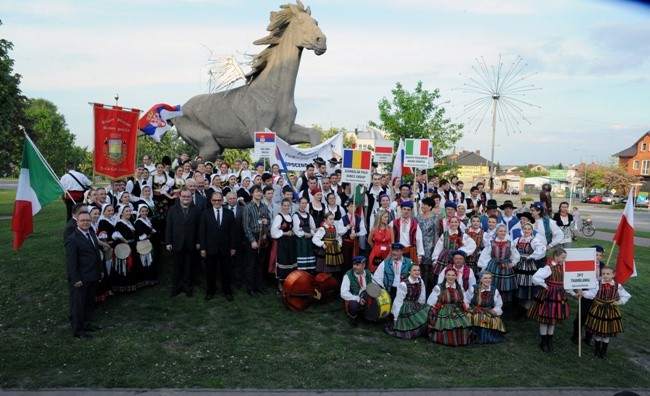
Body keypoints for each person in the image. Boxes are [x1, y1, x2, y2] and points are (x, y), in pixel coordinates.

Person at [65, 211, 103, 339]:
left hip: (93, 275)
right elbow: (71, 261)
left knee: (89, 303)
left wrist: (100, 270)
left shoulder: (91, 234)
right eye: (83, 220)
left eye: (88, 220)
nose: (86, 222)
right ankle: (78, 331)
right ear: (77, 222)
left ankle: (87, 324)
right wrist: (76, 279)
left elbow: (97, 254)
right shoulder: (72, 238)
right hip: (81, 278)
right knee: (79, 305)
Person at [527, 248, 571, 353]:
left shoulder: (563, 268)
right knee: (545, 318)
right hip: (549, 295)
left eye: (565, 257)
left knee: (553, 319)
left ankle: (549, 341)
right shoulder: (548, 268)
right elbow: (536, 277)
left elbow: (567, 282)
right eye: (563, 257)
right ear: (556, 257)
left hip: (559, 295)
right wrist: (545, 285)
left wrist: (574, 292)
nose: (565, 259)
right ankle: (543, 342)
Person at [584, 266, 631, 359]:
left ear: (613, 274)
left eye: (608, 274)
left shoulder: (617, 286)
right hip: (598, 309)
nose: (605, 276)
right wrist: (583, 293)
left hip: (610, 310)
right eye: (603, 274)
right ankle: (597, 351)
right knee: (598, 331)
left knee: (607, 332)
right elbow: (591, 294)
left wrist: (619, 302)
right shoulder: (598, 284)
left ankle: (603, 352)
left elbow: (626, 295)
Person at [200, 191, 236, 302]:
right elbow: (202, 232)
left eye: (219, 200)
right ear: (211, 201)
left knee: (226, 271)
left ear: (222, 201)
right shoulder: (205, 213)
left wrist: (233, 247)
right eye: (214, 200)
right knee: (210, 271)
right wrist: (203, 248)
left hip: (225, 248)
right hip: (210, 248)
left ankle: (227, 291)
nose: (217, 202)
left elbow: (233, 232)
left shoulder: (229, 213)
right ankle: (210, 291)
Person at [166, 188, 201, 298]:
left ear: (191, 197)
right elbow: (169, 226)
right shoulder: (172, 209)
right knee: (177, 267)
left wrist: (199, 242)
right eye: (184, 196)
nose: (186, 198)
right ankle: (176, 287)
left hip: (191, 244)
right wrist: (168, 242)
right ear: (179, 197)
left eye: (188, 196)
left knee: (188, 267)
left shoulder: (197, 209)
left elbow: (199, 228)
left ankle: (187, 287)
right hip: (177, 243)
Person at [426, 266, 473, 346]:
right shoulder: (439, 287)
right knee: (446, 328)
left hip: (457, 310)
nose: (450, 277)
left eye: (453, 275)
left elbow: (465, 300)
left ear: (456, 276)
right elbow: (430, 302)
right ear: (445, 276)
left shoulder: (459, 287)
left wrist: (466, 308)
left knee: (462, 328)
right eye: (448, 275)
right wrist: (433, 311)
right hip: (443, 310)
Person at [572, 245, 606, 346]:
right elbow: (579, 276)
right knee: (582, 315)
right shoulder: (585, 264)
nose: (598, 257)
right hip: (585, 292)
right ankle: (576, 335)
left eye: (600, 255)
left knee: (593, 316)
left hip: (597, 294)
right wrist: (579, 289)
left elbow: (603, 277)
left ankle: (588, 337)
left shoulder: (602, 265)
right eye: (596, 254)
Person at [478, 224, 520, 306]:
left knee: (505, 286)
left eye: (504, 231)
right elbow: (485, 255)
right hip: (493, 266)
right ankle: (491, 303)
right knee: (492, 284)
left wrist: (513, 263)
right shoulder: (491, 243)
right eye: (500, 231)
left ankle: (504, 306)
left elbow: (516, 255)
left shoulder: (510, 243)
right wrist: (484, 267)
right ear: (497, 232)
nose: (503, 233)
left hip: (506, 267)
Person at [385, 264, 430, 339]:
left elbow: (422, 296)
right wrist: (395, 317)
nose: (417, 272)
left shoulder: (420, 281)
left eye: (418, 270)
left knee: (429, 310)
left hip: (415, 304)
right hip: (406, 307)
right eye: (414, 270)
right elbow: (398, 301)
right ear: (409, 271)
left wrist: (421, 308)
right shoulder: (403, 284)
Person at [513, 222, 547, 320]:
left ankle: (526, 311)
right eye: (525, 229)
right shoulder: (517, 240)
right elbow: (512, 250)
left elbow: (542, 249)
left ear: (532, 231)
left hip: (529, 266)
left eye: (529, 229)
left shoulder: (534, 241)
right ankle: (519, 309)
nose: (527, 230)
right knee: (519, 286)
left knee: (528, 287)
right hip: (519, 266)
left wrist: (532, 256)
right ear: (522, 230)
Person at [242, 185, 271, 297]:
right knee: (251, 264)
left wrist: (266, 222)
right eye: (256, 192)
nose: (259, 194)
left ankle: (259, 286)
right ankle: (250, 288)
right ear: (252, 194)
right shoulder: (248, 207)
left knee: (260, 264)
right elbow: (245, 226)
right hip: (252, 236)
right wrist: (252, 241)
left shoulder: (264, 206)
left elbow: (268, 220)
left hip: (262, 235)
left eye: (260, 192)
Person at [467, 271, 506, 344]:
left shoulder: (494, 290)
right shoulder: (473, 288)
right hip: (475, 310)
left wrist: (495, 311)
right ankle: (476, 336)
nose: (488, 280)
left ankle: (487, 337)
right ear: (481, 279)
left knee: (495, 320)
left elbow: (499, 304)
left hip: (488, 311)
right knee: (477, 318)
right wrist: (469, 309)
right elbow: (466, 301)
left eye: (489, 278)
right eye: (485, 278)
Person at [270, 198, 298, 291]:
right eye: (284, 205)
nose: (286, 207)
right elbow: (273, 232)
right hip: (282, 243)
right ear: (281, 206)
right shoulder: (279, 217)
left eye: (288, 205)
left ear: (290, 206)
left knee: (290, 260)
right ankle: (280, 283)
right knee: (283, 261)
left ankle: (289, 281)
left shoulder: (290, 215)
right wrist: (285, 233)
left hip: (290, 243)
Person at [112, 205, 142, 292]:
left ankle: (134, 285)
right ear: (122, 213)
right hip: (125, 247)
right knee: (127, 266)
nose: (129, 213)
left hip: (133, 245)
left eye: (130, 211)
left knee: (133, 265)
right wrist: (125, 242)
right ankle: (126, 286)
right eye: (127, 211)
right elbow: (115, 235)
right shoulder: (119, 223)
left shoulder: (130, 223)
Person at [340, 256, 374, 328]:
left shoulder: (368, 273)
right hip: (355, 298)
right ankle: (353, 317)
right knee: (353, 305)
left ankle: (367, 315)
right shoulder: (348, 275)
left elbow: (374, 285)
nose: (354, 267)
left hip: (366, 296)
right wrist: (358, 299)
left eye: (357, 265)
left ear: (364, 265)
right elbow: (343, 293)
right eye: (354, 264)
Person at [313, 212, 346, 281]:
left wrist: (340, 244)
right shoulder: (322, 229)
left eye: (333, 219)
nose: (332, 220)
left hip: (334, 249)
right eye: (330, 219)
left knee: (334, 268)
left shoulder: (334, 227)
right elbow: (315, 239)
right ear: (325, 220)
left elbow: (338, 237)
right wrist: (322, 244)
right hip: (326, 250)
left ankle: (332, 282)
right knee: (326, 268)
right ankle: (325, 281)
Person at [292, 197, 317, 274]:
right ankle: (301, 274)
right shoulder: (296, 215)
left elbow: (313, 227)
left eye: (305, 203)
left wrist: (311, 233)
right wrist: (304, 233)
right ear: (299, 203)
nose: (304, 205)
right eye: (302, 203)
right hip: (301, 240)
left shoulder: (309, 215)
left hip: (309, 239)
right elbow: (296, 229)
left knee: (309, 253)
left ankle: (309, 274)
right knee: (302, 253)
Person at [465, 215, 484, 280]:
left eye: (477, 221)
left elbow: (485, 247)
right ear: (471, 222)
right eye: (474, 221)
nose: (475, 223)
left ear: (480, 223)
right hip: (466, 256)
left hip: (477, 257)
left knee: (475, 275)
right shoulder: (465, 232)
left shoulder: (483, 233)